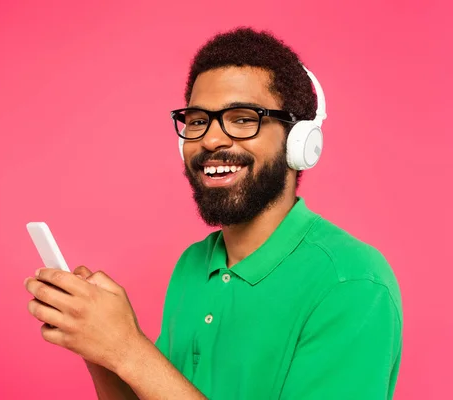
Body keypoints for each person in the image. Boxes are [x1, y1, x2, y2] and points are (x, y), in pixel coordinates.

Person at [23, 27, 403, 399]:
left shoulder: (351, 283)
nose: (211, 139)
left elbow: (139, 362)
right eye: (197, 120)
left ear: (299, 141)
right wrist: (100, 348)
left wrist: (128, 349)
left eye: (242, 118)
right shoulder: (193, 265)